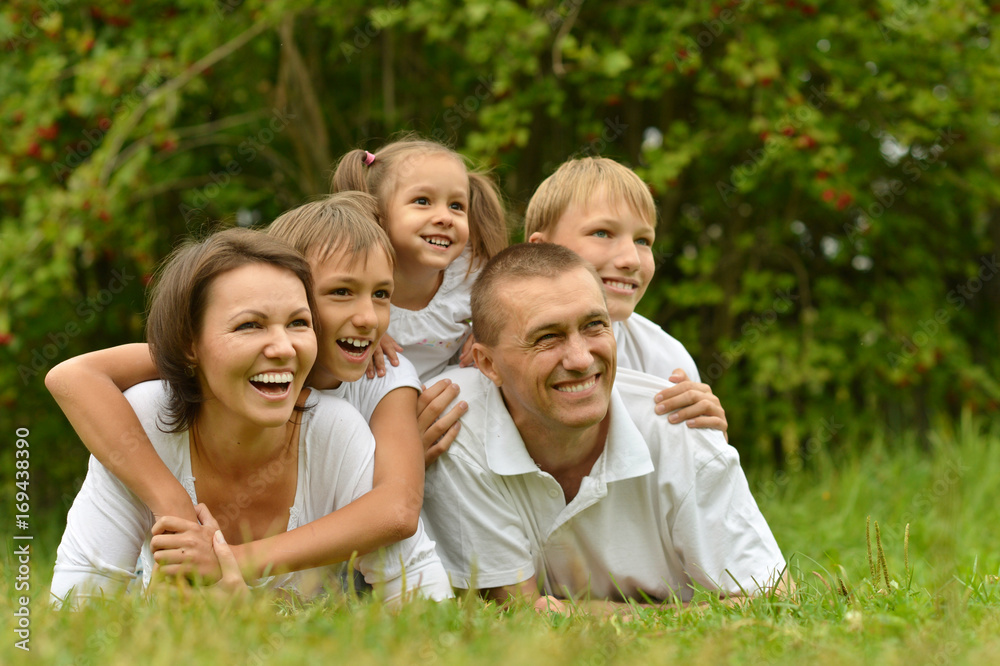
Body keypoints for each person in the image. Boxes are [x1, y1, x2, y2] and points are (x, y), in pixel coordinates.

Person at [45, 194, 437, 583]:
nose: (367, 318)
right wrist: (176, 507)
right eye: (340, 293)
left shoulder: (378, 380)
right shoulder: (202, 357)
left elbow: (398, 511)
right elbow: (74, 377)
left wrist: (228, 559)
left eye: (382, 295)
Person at [420, 243, 787, 614]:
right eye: (547, 337)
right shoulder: (455, 424)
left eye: (595, 325)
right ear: (487, 363)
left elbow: (774, 597)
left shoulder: (681, 425)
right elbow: (517, 611)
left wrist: (579, 614)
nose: (581, 359)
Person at [331, 135, 508, 382]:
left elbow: (519, 311)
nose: (445, 217)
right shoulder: (346, 282)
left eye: (456, 206)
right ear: (376, 212)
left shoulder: (470, 274)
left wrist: (487, 331)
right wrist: (363, 331)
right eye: (423, 201)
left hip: (443, 392)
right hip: (369, 397)